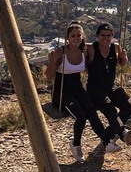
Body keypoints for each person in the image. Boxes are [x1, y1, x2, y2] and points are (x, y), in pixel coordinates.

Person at [45, 22, 121, 163]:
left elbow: (94, 66)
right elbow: (48, 76)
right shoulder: (60, 53)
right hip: (62, 93)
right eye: (73, 35)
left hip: (78, 89)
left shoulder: (84, 52)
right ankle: (76, 144)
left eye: (79, 35)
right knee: (81, 117)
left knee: (92, 112)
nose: (76, 38)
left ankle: (107, 142)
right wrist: (53, 61)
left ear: (82, 36)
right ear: (67, 37)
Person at [86, 22, 131, 146]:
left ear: (112, 36)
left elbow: (122, 63)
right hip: (95, 88)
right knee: (110, 109)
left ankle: (108, 135)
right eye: (102, 35)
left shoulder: (115, 47)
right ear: (97, 36)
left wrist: (124, 58)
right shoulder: (92, 48)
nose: (105, 38)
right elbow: (75, 45)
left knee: (129, 106)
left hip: (111, 86)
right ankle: (123, 133)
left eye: (108, 35)